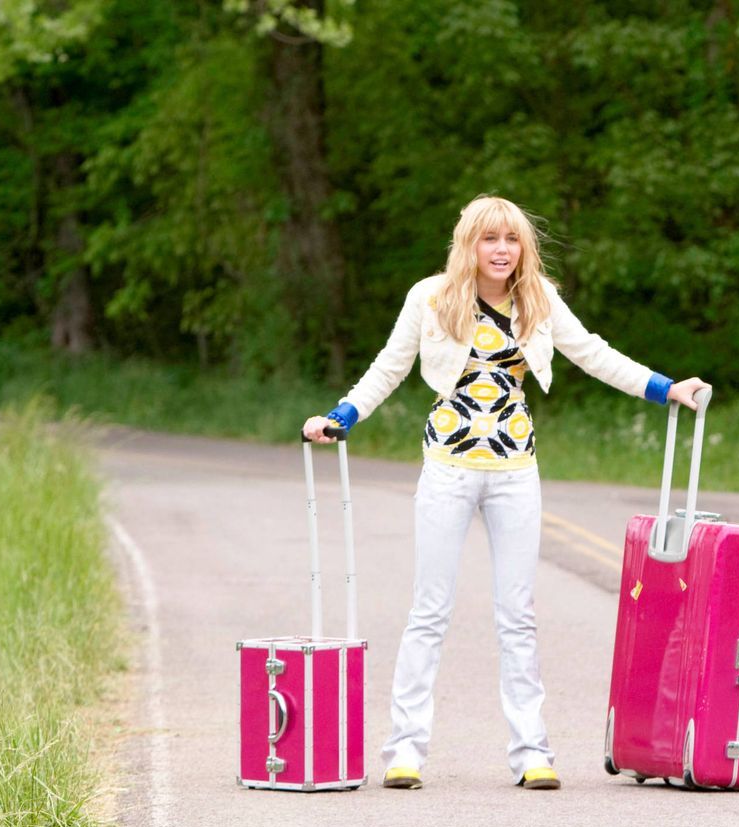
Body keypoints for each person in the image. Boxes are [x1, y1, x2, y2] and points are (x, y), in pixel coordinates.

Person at [302, 195, 708, 791]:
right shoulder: (431, 298)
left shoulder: (537, 299)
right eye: (490, 239)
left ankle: (531, 753)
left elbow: (591, 352)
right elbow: (388, 367)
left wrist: (665, 388)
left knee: (517, 615)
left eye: (512, 240)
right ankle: (404, 751)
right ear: (468, 244)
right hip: (448, 466)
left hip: (516, 469)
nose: (501, 250)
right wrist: (341, 416)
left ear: (523, 247)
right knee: (429, 611)